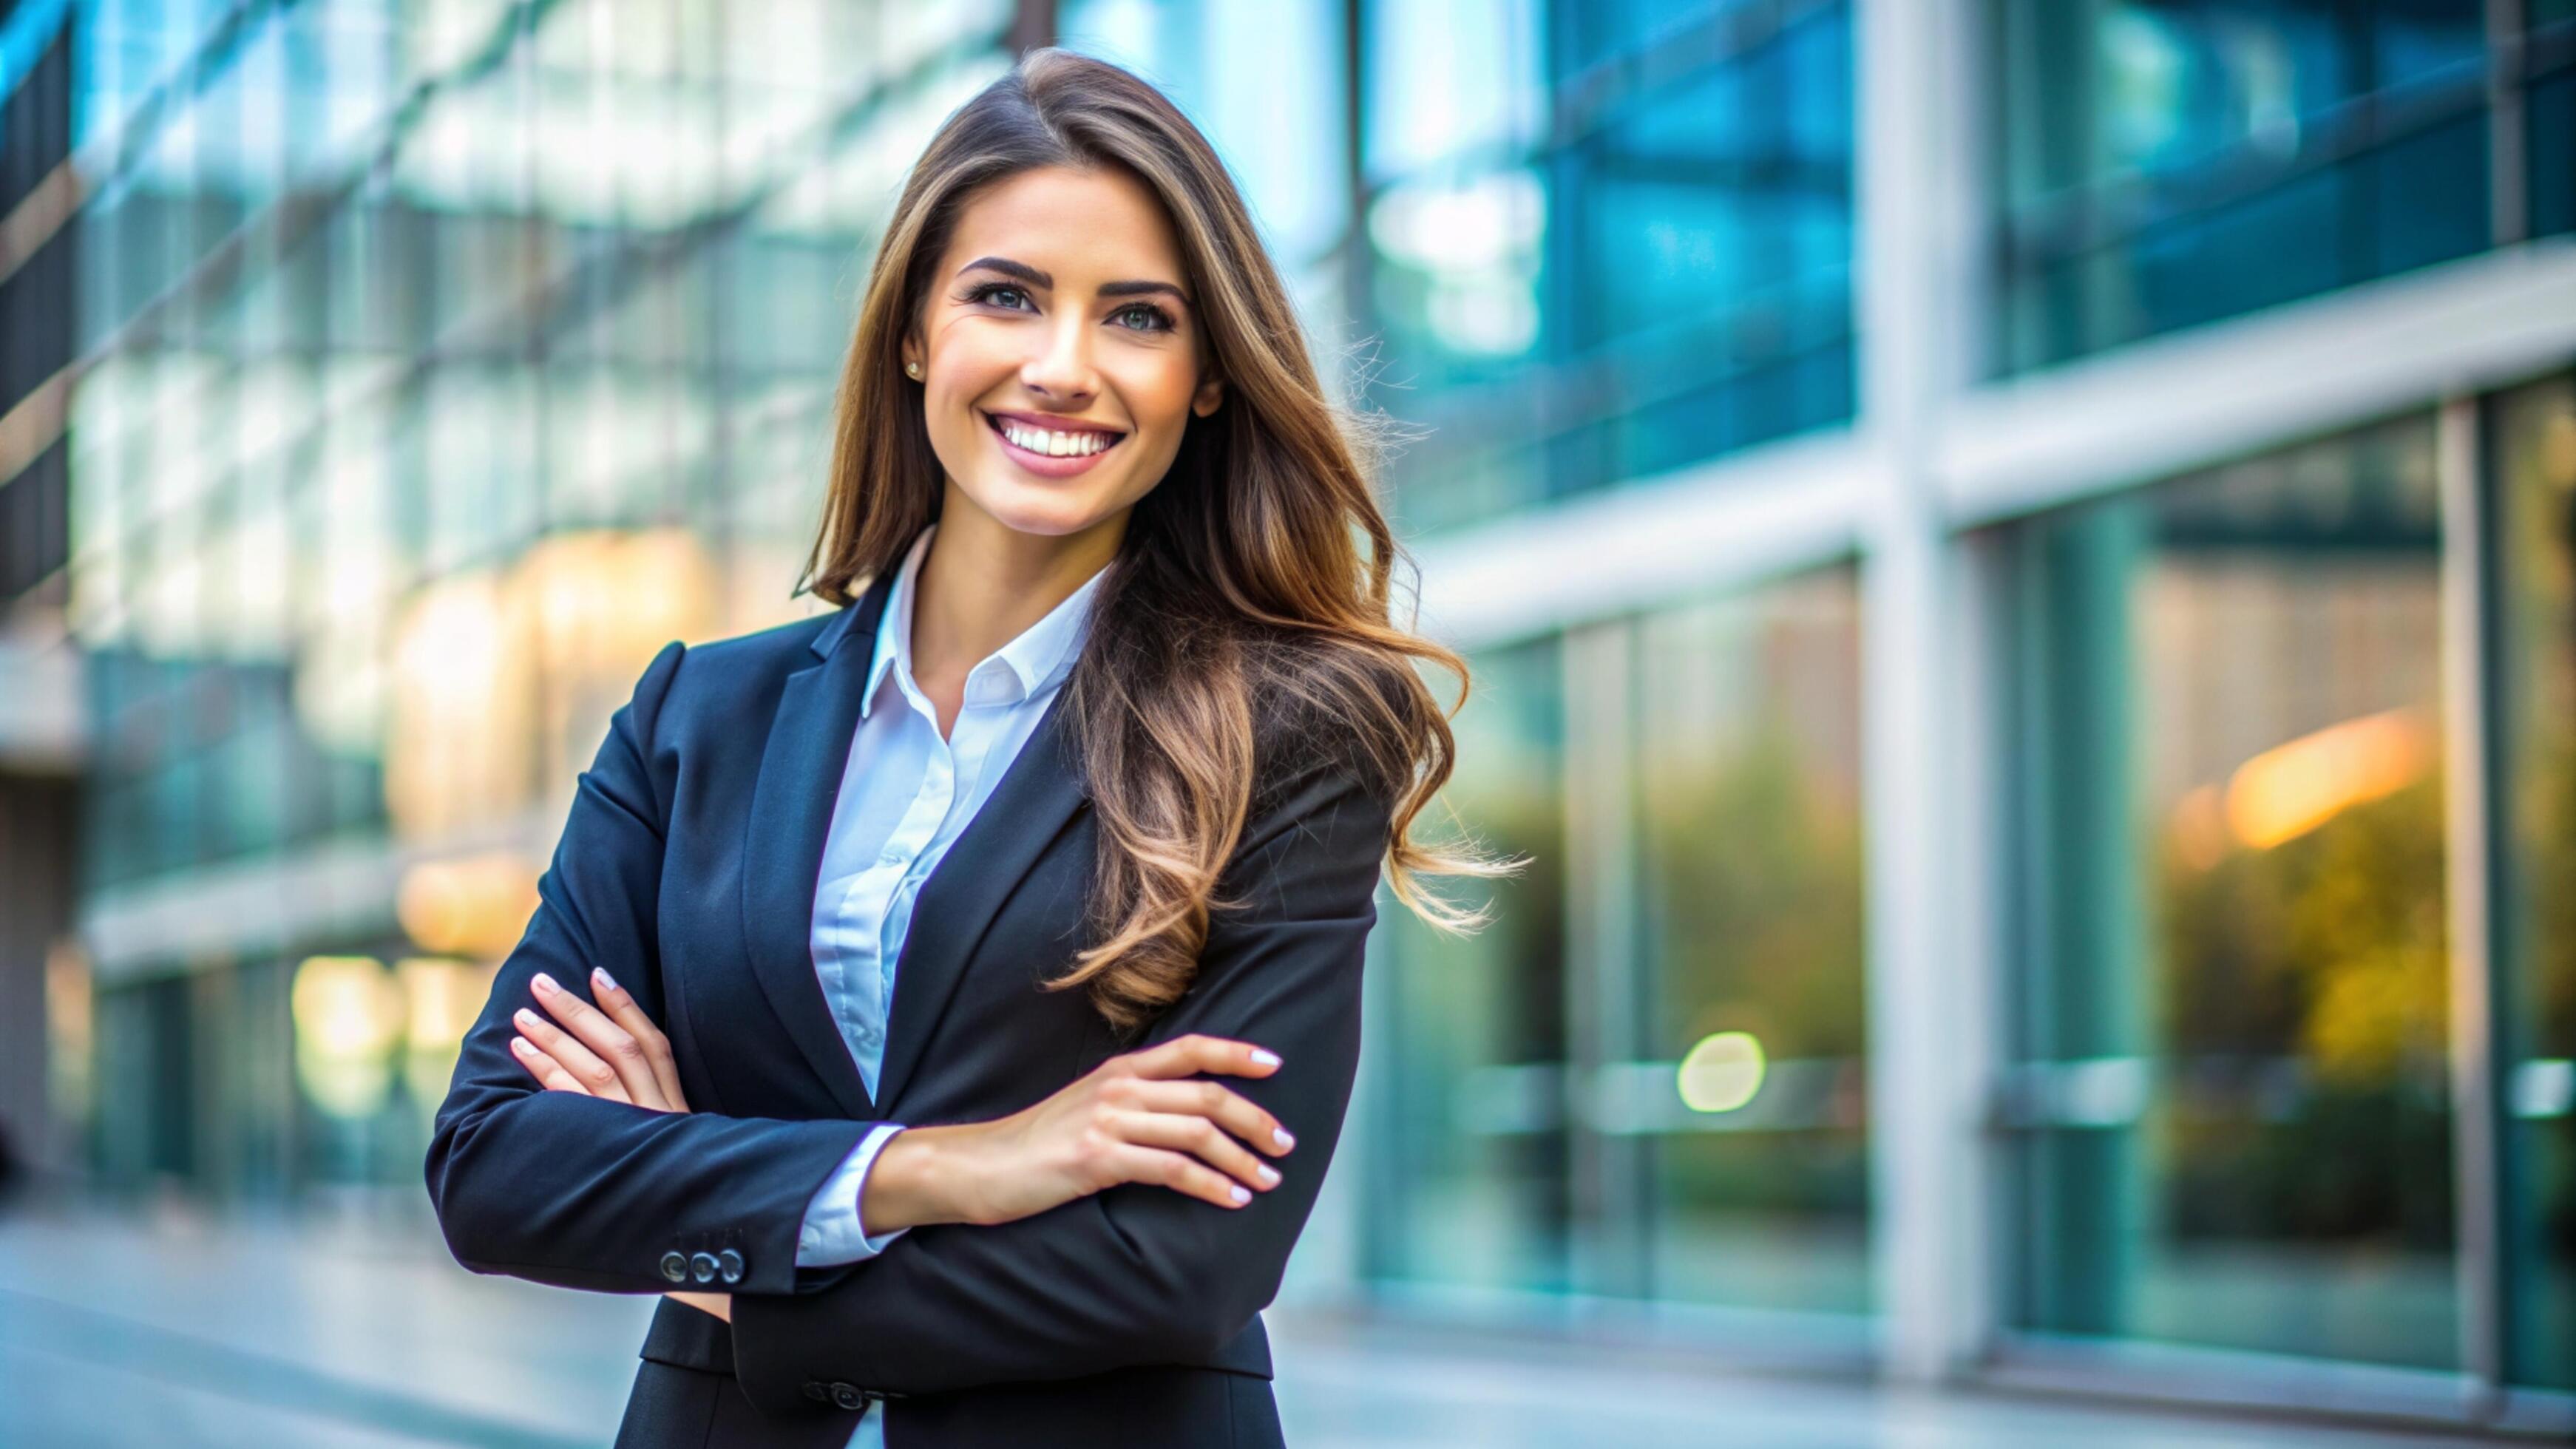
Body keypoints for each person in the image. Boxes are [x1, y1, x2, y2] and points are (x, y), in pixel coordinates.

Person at [422, 46, 1516, 1449]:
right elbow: (495, 1166)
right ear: (915, 334)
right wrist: (948, 1171)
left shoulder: (1291, 731)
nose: (1062, 368)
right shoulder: (696, 718)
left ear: (1208, 380)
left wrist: (713, 1233)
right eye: (1006, 295)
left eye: (1136, 317)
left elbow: (1188, 1267)